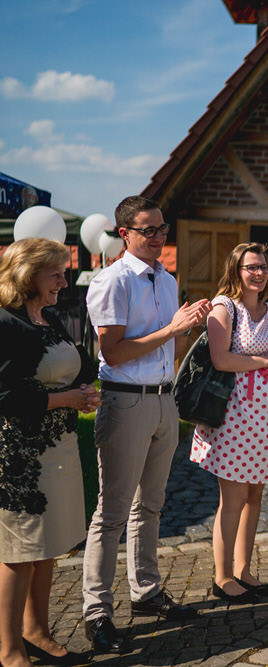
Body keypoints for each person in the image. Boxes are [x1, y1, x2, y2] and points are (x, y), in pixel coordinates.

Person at [83, 196, 210, 653]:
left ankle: (146, 592)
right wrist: (173, 329)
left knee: (151, 505)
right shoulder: (112, 282)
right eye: (148, 229)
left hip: (162, 400)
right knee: (112, 512)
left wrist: (189, 327)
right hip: (124, 403)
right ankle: (97, 613)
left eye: (162, 228)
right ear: (125, 234)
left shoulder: (169, 280)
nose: (159, 236)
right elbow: (113, 352)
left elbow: (166, 352)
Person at [190, 243, 268, 602]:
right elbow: (222, 360)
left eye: (263, 267)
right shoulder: (224, 308)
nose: (258, 273)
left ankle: (243, 570)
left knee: (256, 494)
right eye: (250, 267)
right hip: (234, 412)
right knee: (234, 496)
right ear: (236, 271)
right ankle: (222, 576)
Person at [0, 239, 98, 667]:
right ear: (28, 274)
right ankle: (8, 650)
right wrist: (67, 400)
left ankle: (36, 631)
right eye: (56, 272)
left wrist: (84, 392)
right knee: (19, 553)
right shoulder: (6, 323)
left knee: (47, 548)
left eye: (66, 270)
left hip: (59, 448)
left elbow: (75, 368)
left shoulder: (50, 318)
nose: (65, 279)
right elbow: (6, 397)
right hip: (21, 455)